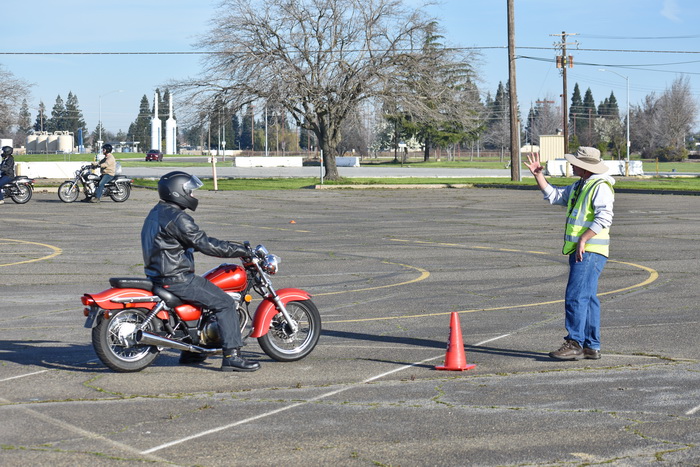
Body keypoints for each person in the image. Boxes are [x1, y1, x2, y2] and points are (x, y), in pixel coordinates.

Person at [141, 171, 261, 372]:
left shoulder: (157, 212)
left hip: (160, 274)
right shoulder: (178, 218)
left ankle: (193, 352)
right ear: (178, 192)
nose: (194, 195)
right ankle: (232, 356)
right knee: (224, 303)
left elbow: (176, 243)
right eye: (190, 191)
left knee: (203, 303)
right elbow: (205, 244)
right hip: (177, 277)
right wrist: (241, 250)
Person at [524, 147, 615, 361]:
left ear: (585, 166)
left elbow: (604, 218)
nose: (572, 164)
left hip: (589, 251)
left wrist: (583, 238)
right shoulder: (581, 185)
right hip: (586, 250)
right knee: (588, 297)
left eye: (574, 162)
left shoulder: (600, 186)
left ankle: (574, 342)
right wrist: (539, 175)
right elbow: (555, 196)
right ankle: (591, 346)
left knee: (575, 296)